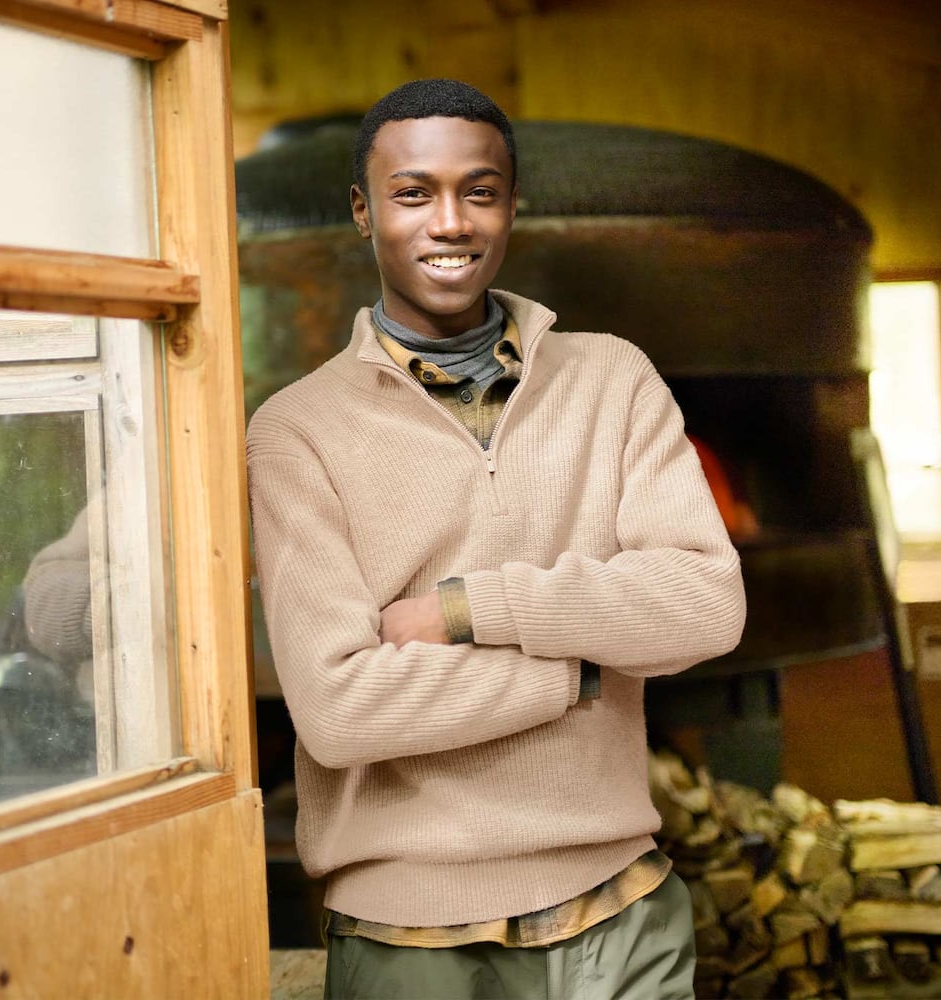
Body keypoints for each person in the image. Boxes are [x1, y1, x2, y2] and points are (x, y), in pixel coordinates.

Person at [246, 79, 747, 999]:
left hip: (623, 910)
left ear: (512, 206)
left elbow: (707, 606)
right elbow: (341, 707)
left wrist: (473, 608)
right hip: (412, 940)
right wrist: (579, 671)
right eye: (412, 194)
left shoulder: (613, 378)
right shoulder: (295, 431)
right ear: (363, 212)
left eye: (479, 192)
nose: (451, 223)